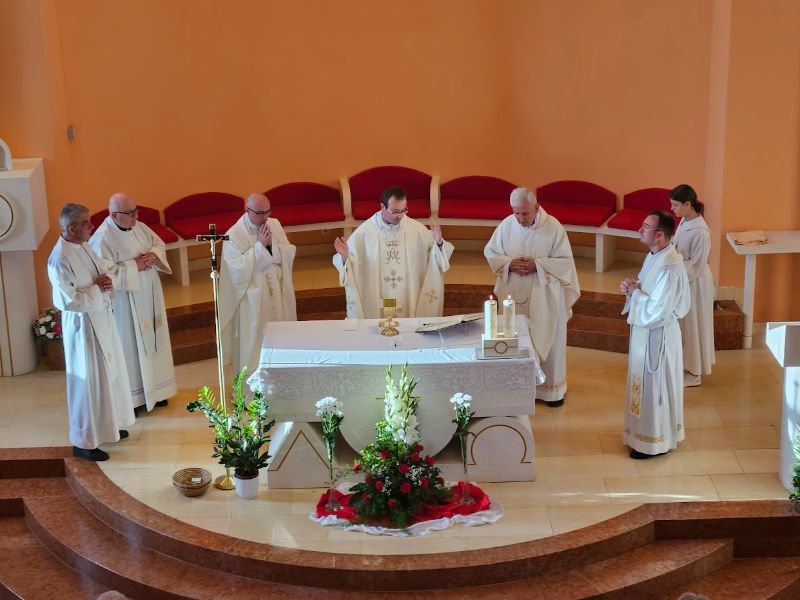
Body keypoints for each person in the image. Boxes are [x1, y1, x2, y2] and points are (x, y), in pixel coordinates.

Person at [47, 203, 135, 461]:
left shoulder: (83, 245)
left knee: (108, 376)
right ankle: (84, 441)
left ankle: (109, 426)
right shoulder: (59, 258)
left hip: (101, 318)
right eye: (86, 223)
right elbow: (68, 300)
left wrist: (107, 280)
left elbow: (101, 270)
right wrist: (98, 288)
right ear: (71, 228)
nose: (92, 225)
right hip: (83, 327)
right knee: (88, 384)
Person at [484, 187, 580, 407]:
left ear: (536, 207)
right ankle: (517, 388)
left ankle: (551, 391)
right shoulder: (507, 224)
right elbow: (491, 252)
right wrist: (509, 264)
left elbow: (566, 263)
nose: (520, 218)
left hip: (544, 297)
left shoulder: (553, 227)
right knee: (515, 338)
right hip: (513, 293)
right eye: (516, 212)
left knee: (548, 338)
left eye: (525, 213)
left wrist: (538, 266)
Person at [89, 193, 176, 414]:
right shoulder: (102, 239)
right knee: (130, 347)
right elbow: (103, 274)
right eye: (129, 213)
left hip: (149, 293)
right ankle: (134, 399)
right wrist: (133, 266)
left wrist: (153, 256)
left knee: (155, 340)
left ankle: (157, 391)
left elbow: (158, 243)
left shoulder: (139, 227)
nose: (135, 217)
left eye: (136, 211)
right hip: (125, 303)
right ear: (114, 215)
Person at [620, 210, 690, 459]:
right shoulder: (655, 256)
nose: (640, 229)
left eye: (645, 227)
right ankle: (640, 436)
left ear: (659, 235)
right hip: (646, 333)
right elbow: (647, 291)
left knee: (655, 388)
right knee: (644, 387)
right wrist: (633, 288)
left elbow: (658, 311)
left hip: (658, 335)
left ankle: (654, 443)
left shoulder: (669, 267)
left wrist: (636, 294)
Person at [333, 186, 454, 318]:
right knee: (383, 321)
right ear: (382, 207)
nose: (400, 216)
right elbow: (349, 263)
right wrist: (345, 257)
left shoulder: (416, 229)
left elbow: (438, 257)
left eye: (404, 210)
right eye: (395, 211)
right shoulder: (365, 232)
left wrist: (439, 243)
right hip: (377, 299)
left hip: (408, 297)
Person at [219, 192, 297, 377]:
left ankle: (282, 378)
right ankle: (253, 385)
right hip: (252, 300)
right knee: (255, 339)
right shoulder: (234, 234)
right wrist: (260, 247)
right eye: (260, 213)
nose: (265, 217)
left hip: (276, 292)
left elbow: (288, 251)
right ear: (247, 210)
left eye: (268, 212)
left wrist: (271, 247)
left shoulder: (274, 224)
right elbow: (236, 270)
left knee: (280, 335)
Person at [670, 184, 715, 387]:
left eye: (675, 205)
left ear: (688, 204)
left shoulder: (701, 232)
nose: (672, 209)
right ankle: (685, 365)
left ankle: (695, 372)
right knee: (685, 325)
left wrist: (673, 270)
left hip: (695, 283)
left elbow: (696, 264)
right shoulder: (685, 221)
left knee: (693, 326)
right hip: (684, 279)